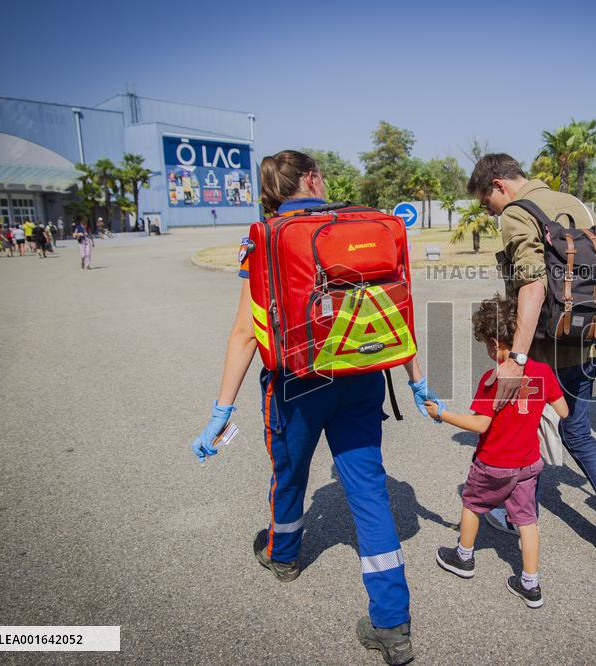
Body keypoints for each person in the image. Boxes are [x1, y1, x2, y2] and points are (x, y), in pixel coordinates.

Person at [187, 150, 438, 665]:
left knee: (290, 473)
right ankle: (392, 624)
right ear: (313, 179)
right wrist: (418, 380)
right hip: (365, 374)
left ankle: (283, 557)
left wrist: (221, 410)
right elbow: (396, 307)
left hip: (297, 383)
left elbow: (244, 333)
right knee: (369, 490)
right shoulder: (365, 223)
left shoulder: (267, 236)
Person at [466, 153, 596, 575]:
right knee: (579, 436)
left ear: (498, 184)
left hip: (543, 351)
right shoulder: (572, 201)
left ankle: (513, 515)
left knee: (518, 434)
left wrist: (517, 357)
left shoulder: (517, 214)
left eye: (485, 200)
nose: (488, 209)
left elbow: (532, 285)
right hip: (587, 341)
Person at [428, 294, 567, 609]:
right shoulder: (542, 373)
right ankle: (530, 583)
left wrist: (442, 413)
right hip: (529, 462)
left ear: (494, 342)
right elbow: (564, 411)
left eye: (486, 346)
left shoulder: (491, 380)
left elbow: (480, 424)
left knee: (473, 502)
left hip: (493, 463)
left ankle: (464, 557)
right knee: (527, 520)